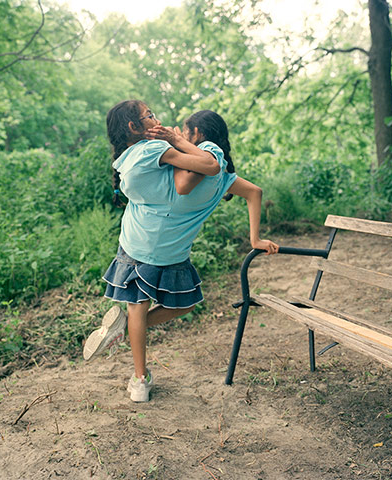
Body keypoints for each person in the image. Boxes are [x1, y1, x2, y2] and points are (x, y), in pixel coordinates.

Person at [83, 101, 278, 402]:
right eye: (150, 116)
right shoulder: (173, 157)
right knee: (178, 304)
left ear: (196, 132)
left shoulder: (203, 153)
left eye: (184, 129)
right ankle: (137, 368)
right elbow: (254, 192)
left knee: (140, 309)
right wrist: (255, 238)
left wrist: (177, 142)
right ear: (134, 127)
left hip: (140, 241)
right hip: (165, 248)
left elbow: (186, 182)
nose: (170, 126)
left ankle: (136, 366)